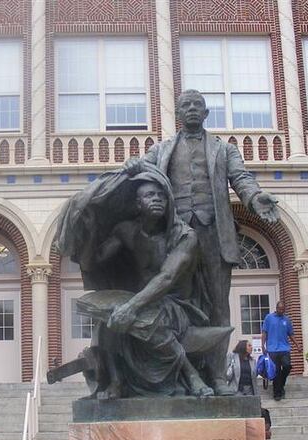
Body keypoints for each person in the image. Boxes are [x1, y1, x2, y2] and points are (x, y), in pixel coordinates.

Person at [124, 89, 280, 394]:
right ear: (178, 114)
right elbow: (141, 172)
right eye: (186, 106)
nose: (192, 109)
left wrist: (254, 196)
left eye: (198, 105)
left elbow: (242, 178)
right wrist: (132, 166)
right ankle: (185, 376)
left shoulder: (224, 150)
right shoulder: (163, 149)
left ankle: (219, 376)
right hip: (177, 237)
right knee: (180, 305)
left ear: (206, 113)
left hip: (213, 236)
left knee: (219, 307)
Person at [54, 165, 232, 398]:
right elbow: (92, 263)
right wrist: (89, 230)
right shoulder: (126, 231)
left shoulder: (184, 236)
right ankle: (116, 382)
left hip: (176, 305)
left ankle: (191, 374)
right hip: (140, 301)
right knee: (106, 322)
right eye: (150, 195)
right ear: (137, 204)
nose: (157, 200)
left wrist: (131, 307)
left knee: (147, 316)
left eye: (161, 196)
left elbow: (166, 278)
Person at [261, 301, 297, 400]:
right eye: (279, 309)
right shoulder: (269, 318)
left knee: (287, 366)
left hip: (284, 348)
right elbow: (264, 332)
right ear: (276, 308)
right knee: (276, 371)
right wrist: (263, 346)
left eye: (283, 309)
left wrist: (297, 345)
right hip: (272, 349)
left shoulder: (287, 320)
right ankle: (277, 393)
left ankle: (280, 384)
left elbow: (291, 334)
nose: (281, 311)